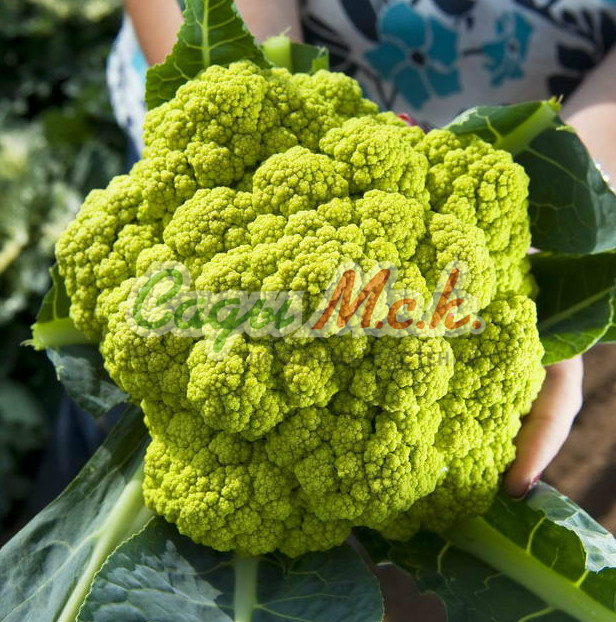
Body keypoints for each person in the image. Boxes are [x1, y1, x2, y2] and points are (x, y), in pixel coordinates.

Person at [110, 0, 616, 500]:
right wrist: (258, 103)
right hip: (231, 153)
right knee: (114, 427)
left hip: (478, 182)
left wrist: (541, 222)